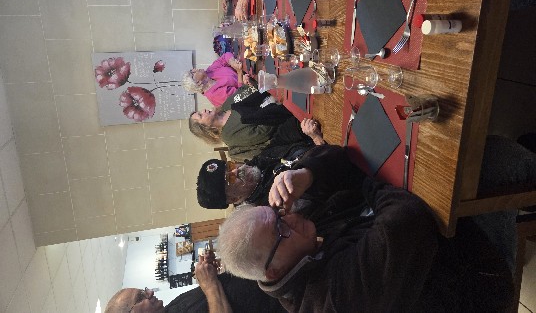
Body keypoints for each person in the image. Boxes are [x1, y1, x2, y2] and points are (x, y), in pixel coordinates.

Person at [216, 136, 535, 311]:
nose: (292, 218)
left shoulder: (300, 244)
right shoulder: (333, 299)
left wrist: (306, 174)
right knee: (490, 158)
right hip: (472, 272)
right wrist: (366, 182)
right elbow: (408, 217)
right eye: (280, 229)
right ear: (273, 271)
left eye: (278, 214)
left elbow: (340, 156)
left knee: (436, 141)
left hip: (433, 228)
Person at [197, 144, 364, 211]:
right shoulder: (274, 203)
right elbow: (333, 192)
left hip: (340, 146)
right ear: (234, 199)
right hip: (359, 172)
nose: (236, 170)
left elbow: (287, 135)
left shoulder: (259, 164)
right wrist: (319, 144)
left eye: (229, 167)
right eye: (230, 179)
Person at [104, 252, 286, 313]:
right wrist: (210, 285)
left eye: (144, 290)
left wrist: (215, 275)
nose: (150, 292)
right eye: (141, 296)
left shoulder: (171, 307)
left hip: (273, 287)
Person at [189, 85, 325, 161]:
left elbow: (245, 90)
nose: (203, 110)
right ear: (206, 128)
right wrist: (273, 102)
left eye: (199, 111)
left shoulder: (225, 107)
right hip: (287, 115)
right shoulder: (229, 135)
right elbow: (263, 132)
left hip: (278, 93)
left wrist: (249, 83)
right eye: (200, 115)